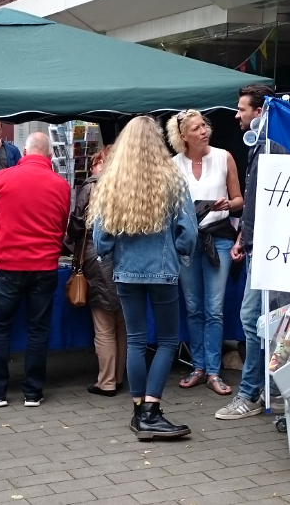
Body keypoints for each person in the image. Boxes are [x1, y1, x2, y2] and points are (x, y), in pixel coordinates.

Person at [90, 116, 198, 440]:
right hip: (163, 271)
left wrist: (107, 255)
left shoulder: (114, 180)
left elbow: (101, 237)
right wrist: (182, 253)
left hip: (126, 272)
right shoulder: (172, 178)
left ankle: (139, 412)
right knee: (166, 340)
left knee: (136, 340)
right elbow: (188, 231)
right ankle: (151, 411)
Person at [216, 84, 290, 420]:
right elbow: (256, 204)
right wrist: (242, 240)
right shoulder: (262, 147)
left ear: (259, 112)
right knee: (261, 320)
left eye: (242, 109)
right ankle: (266, 390)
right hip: (260, 247)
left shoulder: (272, 148)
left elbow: (269, 202)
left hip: (270, 251)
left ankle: (254, 393)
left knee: (260, 320)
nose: (237, 115)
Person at [0, 132, 70, 408]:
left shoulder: (3, 178)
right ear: (50, 155)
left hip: (8, 264)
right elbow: (62, 224)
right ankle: (33, 391)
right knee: (38, 329)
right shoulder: (61, 185)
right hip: (44, 266)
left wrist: (3, 245)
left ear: (24, 151)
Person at [167, 110, 244, 396]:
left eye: (204, 126)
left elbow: (239, 199)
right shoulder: (173, 165)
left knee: (214, 307)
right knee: (192, 306)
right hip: (187, 241)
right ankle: (198, 366)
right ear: (183, 136)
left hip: (219, 239)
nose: (203, 131)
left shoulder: (224, 157)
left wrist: (228, 204)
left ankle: (213, 370)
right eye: (196, 128)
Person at [64, 145, 126, 397]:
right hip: (125, 258)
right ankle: (119, 376)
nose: (94, 167)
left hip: (97, 257)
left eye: (98, 162)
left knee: (103, 324)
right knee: (121, 321)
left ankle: (107, 381)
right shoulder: (129, 185)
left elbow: (76, 225)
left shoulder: (92, 185)